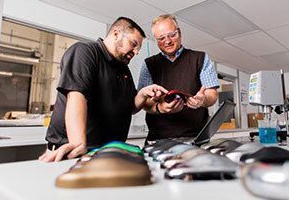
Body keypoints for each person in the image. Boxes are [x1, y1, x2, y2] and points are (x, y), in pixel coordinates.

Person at [39, 17, 167, 162]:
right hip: (74, 152)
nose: (136, 52)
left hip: (107, 153)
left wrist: (143, 94)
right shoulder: (85, 52)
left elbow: (130, 107)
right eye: (133, 44)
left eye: (138, 48)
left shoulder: (123, 69)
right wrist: (77, 142)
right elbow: (76, 95)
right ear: (116, 33)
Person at [138, 14, 219, 141]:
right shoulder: (149, 64)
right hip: (158, 139)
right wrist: (160, 108)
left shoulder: (200, 58)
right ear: (155, 40)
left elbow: (212, 95)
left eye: (172, 35)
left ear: (179, 33)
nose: (167, 41)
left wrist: (202, 100)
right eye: (161, 38)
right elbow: (144, 102)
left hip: (195, 138)